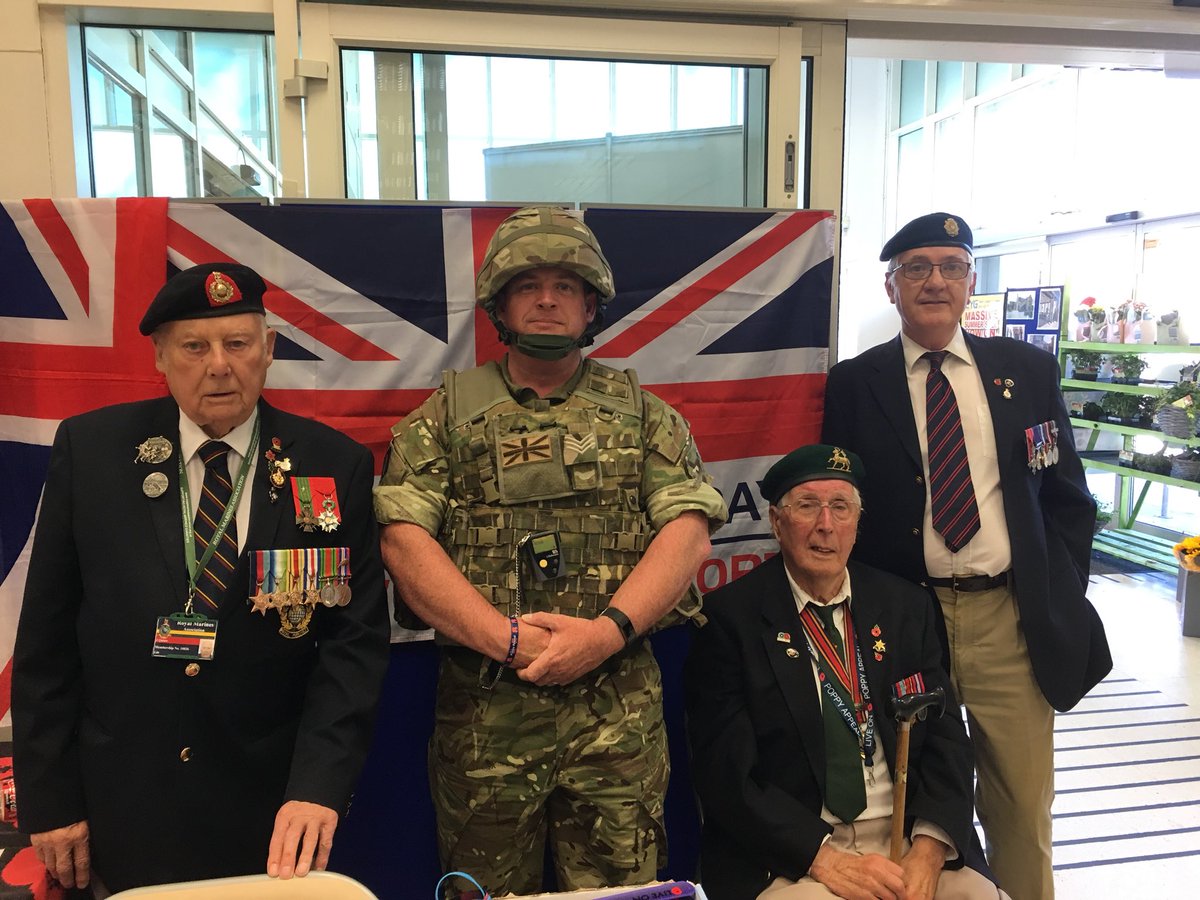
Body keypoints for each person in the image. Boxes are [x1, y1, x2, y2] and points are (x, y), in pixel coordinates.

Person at [373, 206, 727, 895]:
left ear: (590, 305)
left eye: (565, 286)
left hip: (616, 718)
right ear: (499, 306)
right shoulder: (443, 419)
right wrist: (505, 640)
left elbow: (688, 530)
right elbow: (403, 540)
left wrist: (605, 634)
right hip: (486, 720)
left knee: (621, 893)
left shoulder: (646, 417)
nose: (545, 299)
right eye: (527, 285)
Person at [12, 263, 391, 894]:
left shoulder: (332, 465)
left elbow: (352, 648)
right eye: (194, 347)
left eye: (237, 343)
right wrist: (50, 801)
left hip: (274, 811)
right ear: (160, 358)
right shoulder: (93, 452)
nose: (219, 366)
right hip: (122, 804)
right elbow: (46, 642)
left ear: (268, 349)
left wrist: (318, 786)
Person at [822, 212, 1112, 900]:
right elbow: (840, 501)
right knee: (906, 802)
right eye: (916, 268)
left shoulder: (1027, 372)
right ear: (891, 286)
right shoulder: (856, 383)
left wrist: (1055, 589)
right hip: (905, 624)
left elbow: (1067, 498)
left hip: (1009, 621)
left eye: (951, 267)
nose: (935, 282)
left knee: (1020, 814)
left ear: (970, 282)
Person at [685, 444, 1005, 900]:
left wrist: (929, 851)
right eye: (807, 506)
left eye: (841, 507)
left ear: (857, 522)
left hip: (906, 836)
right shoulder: (730, 621)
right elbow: (726, 777)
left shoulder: (905, 608)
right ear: (776, 522)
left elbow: (947, 739)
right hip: (795, 855)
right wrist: (825, 860)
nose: (826, 524)